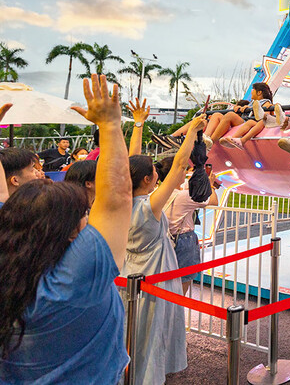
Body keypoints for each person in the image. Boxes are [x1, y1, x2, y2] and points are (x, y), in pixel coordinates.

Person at [0, 74, 133, 383]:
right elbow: (117, 199)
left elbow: (3, 199)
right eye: (82, 216)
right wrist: (112, 126)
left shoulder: (7, 257)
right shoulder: (76, 277)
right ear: (69, 230)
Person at [121, 116, 206, 384]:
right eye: (154, 171)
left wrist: (138, 125)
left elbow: (128, 164)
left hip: (128, 276)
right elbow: (180, 165)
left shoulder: (119, 204)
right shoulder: (148, 207)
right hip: (153, 277)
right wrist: (191, 130)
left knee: (130, 334)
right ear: (147, 179)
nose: (159, 172)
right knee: (150, 336)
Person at [162, 155, 219, 295]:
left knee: (164, 281)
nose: (186, 173)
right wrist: (210, 184)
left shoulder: (159, 192)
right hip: (183, 241)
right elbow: (213, 201)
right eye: (183, 170)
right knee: (182, 284)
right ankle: (175, 314)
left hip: (164, 239)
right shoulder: (183, 197)